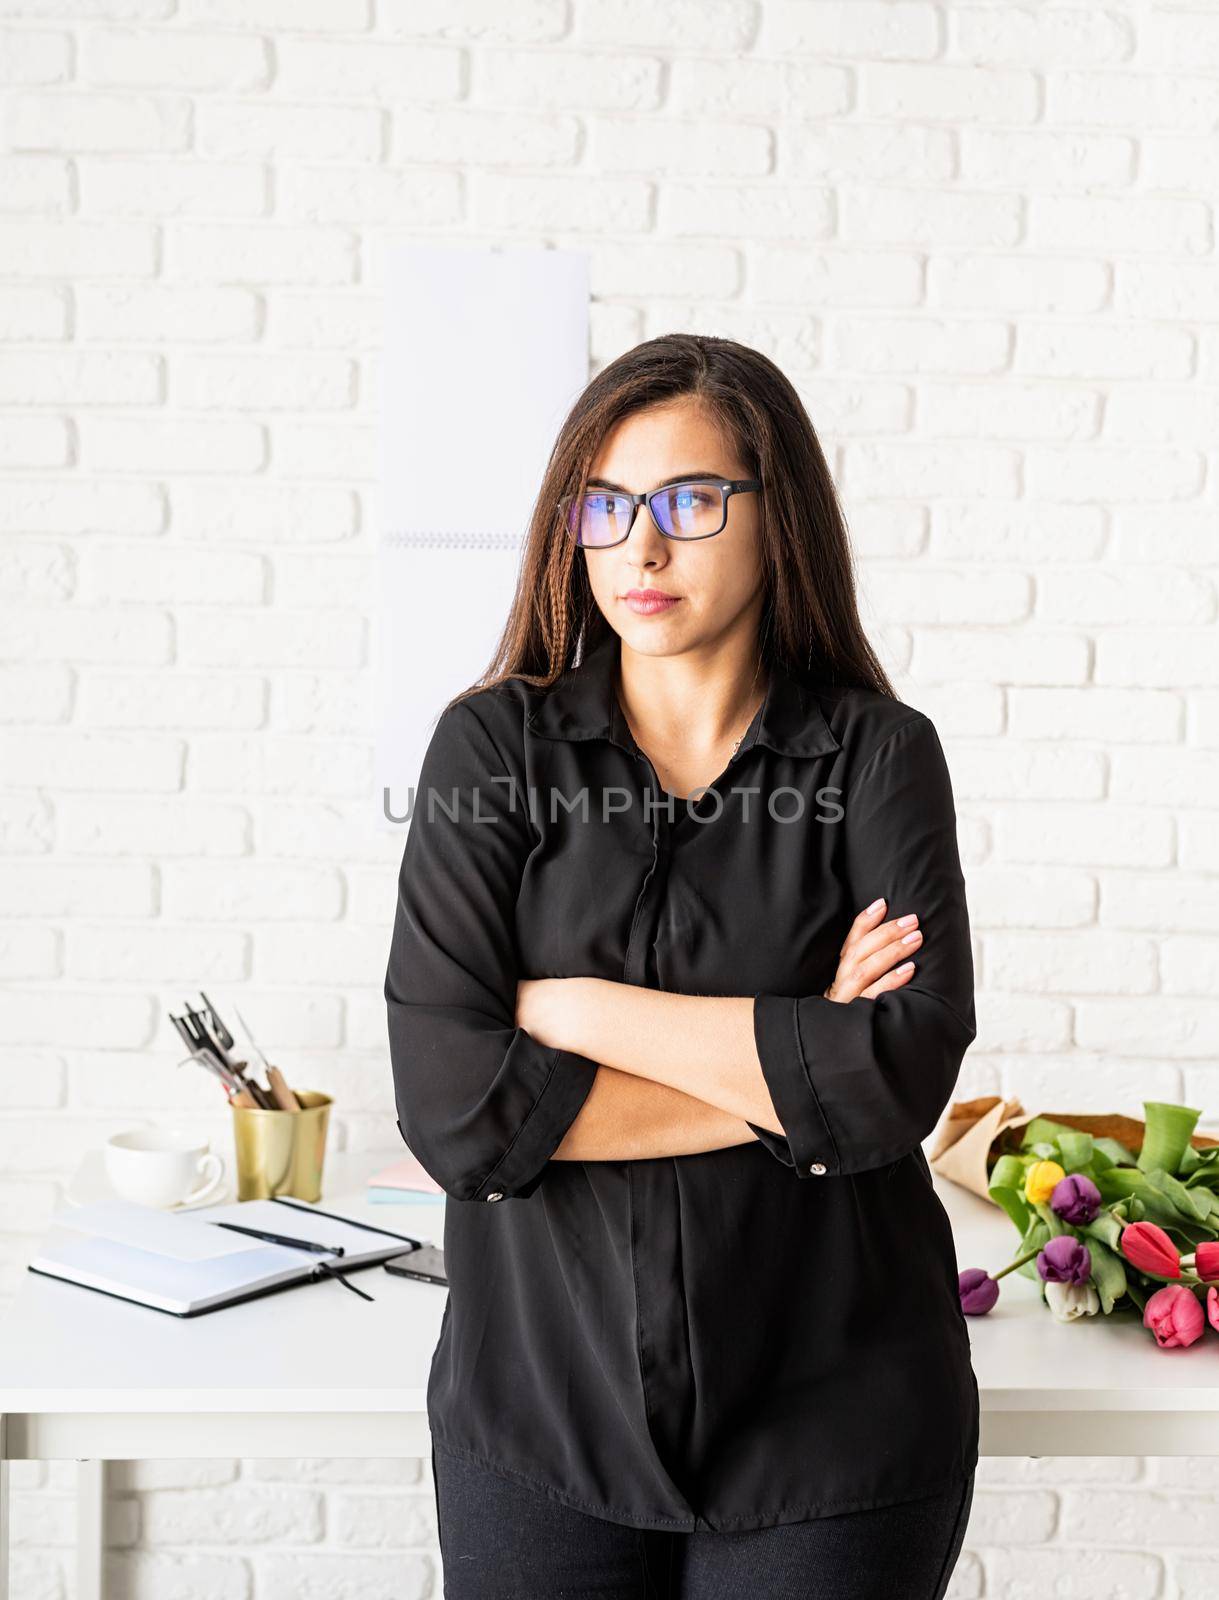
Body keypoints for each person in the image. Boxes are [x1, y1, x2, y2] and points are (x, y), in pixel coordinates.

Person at [385, 333, 979, 1599]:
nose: (640, 547)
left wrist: (576, 1009)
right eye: (604, 505)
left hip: (834, 1426)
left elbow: (900, 1079)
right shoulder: (491, 749)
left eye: (690, 501)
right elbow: (459, 1115)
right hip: (540, 1418)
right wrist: (795, 1058)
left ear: (781, 519)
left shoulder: (876, 760)